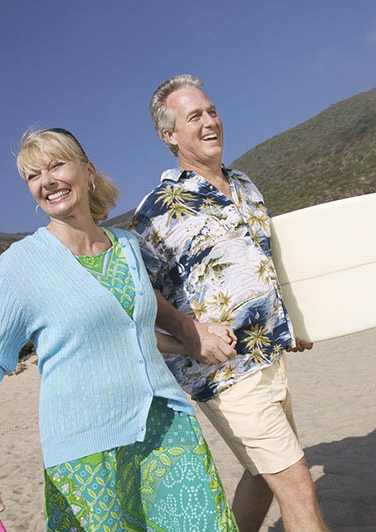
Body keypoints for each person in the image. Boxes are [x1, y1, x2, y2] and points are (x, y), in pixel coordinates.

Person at [0, 127, 239, 532]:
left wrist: (192, 340)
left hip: (167, 428)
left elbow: (130, 328)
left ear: (87, 171)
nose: (47, 181)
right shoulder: (20, 265)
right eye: (34, 175)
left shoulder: (126, 245)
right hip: (86, 450)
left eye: (56, 165)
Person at [130, 75, 328, 532]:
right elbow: (138, 291)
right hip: (224, 371)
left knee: (262, 478)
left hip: (269, 354)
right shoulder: (158, 209)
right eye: (194, 116)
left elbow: (263, 263)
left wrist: (288, 322)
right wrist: (186, 330)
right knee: (297, 483)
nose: (210, 122)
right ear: (170, 136)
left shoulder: (244, 184)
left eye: (212, 110)